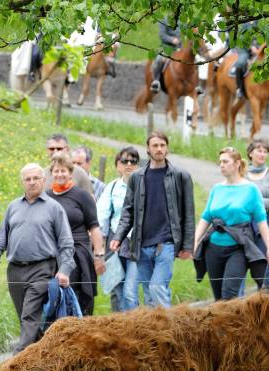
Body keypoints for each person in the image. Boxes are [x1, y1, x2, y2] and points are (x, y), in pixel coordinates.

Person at [0, 164, 75, 353]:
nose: (32, 182)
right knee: (26, 319)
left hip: (42, 269)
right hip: (15, 270)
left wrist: (64, 270)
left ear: (44, 180)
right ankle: (46, 355)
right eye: (28, 179)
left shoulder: (54, 208)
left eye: (36, 178)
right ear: (22, 182)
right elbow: (1, 238)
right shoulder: (13, 207)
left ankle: (17, 359)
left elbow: (66, 242)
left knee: (29, 315)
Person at [110, 131, 195, 309]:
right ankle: (158, 327)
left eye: (162, 145)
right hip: (142, 244)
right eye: (155, 145)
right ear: (148, 149)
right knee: (149, 294)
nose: (159, 149)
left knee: (157, 288)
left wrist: (187, 246)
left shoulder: (181, 176)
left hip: (167, 243)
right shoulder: (137, 177)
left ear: (167, 148)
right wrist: (118, 236)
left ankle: (170, 325)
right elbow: (128, 211)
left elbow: (189, 213)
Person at [193, 148, 269, 300]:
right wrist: (195, 240)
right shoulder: (217, 189)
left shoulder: (251, 189)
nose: (221, 165)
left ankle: (232, 316)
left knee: (229, 296)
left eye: (225, 161)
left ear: (237, 163)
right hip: (213, 248)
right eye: (220, 162)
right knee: (218, 299)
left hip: (238, 248)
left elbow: (261, 221)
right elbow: (206, 217)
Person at [47, 153, 106, 315]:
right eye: (56, 171)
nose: (60, 174)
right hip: (53, 253)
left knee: (76, 296)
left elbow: (94, 227)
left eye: (63, 171)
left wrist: (99, 256)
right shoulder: (46, 197)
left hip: (78, 253)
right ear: (51, 173)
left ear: (70, 173)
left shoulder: (82, 195)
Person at [97, 146, 140, 312]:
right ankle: (121, 324)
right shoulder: (112, 187)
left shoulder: (145, 186)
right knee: (117, 289)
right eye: (124, 161)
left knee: (130, 292)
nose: (129, 164)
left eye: (133, 161)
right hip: (115, 244)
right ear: (117, 165)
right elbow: (101, 217)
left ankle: (135, 324)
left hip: (137, 243)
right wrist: (100, 249)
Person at [241, 138, 269, 293]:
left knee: (265, 266)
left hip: (265, 222)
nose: (262, 154)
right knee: (240, 264)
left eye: (265, 151)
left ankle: (267, 298)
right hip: (244, 223)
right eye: (259, 150)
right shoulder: (242, 174)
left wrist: (257, 202)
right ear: (250, 153)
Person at [150, 17, 183, 94]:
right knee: (159, 59)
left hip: (180, 48)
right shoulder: (164, 20)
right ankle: (156, 80)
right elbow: (162, 35)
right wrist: (172, 40)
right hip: (167, 48)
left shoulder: (182, 21)